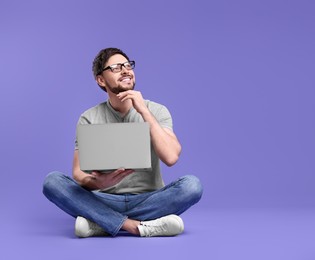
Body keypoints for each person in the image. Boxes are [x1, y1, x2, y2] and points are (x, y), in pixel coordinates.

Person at [42, 47, 203, 238]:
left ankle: (101, 223)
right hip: (105, 198)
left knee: (192, 186)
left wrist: (143, 111)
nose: (126, 70)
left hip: (150, 198)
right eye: (117, 67)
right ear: (101, 80)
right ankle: (135, 226)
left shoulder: (156, 110)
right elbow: (77, 172)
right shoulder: (89, 117)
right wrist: (97, 182)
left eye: (128, 65)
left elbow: (171, 156)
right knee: (52, 182)